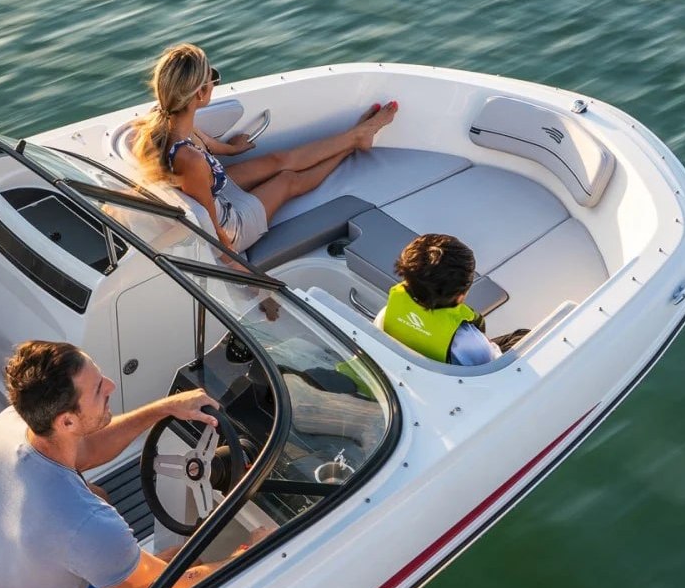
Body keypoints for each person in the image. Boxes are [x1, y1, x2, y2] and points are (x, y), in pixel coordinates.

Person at [0, 340, 266, 588]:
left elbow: (87, 450)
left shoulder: (11, 425)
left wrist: (165, 408)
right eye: (99, 389)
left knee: (175, 559)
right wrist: (250, 552)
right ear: (67, 422)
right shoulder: (86, 524)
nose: (111, 386)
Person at [129, 43, 398, 255]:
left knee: (279, 159)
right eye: (212, 77)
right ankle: (354, 143)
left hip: (217, 189)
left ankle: (356, 137)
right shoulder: (189, 160)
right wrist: (239, 268)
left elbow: (211, 146)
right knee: (288, 180)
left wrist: (234, 149)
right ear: (199, 94)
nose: (214, 82)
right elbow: (210, 225)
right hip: (230, 225)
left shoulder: (170, 120)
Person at [375, 233, 528, 365]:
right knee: (523, 336)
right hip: (476, 362)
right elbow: (492, 366)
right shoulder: (472, 346)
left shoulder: (386, 315)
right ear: (461, 296)